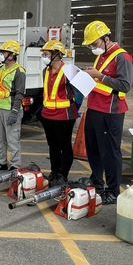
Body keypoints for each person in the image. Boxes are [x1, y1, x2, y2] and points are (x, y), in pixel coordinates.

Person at [82, 20, 133, 204]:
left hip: (111, 112)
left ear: (105, 38)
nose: (93, 48)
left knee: (110, 152)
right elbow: (99, 82)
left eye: (94, 44)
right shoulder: (101, 55)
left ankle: (113, 190)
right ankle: (97, 181)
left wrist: (99, 75)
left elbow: (125, 86)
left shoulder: (122, 57)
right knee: (93, 148)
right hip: (94, 108)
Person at [39, 40, 78, 185]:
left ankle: (63, 174)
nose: (44, 56)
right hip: (48, 114)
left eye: (46, 54)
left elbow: (79, 93)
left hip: (65, 116)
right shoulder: (46, 71)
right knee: (52, 145)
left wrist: (73, 107)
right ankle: (54, 171)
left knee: (65, 145)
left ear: (56, 54)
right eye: (44, 54)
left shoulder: (69, 70)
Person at [0, 40, 26, 171]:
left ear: (11, 55)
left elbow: (19, 93)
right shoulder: (1, 69)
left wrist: (15, 111)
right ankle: (1, 161)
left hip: (11, 110)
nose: (1, 55)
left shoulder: (19, 71)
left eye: (3, 52)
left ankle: (14, 165)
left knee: (12, 140)